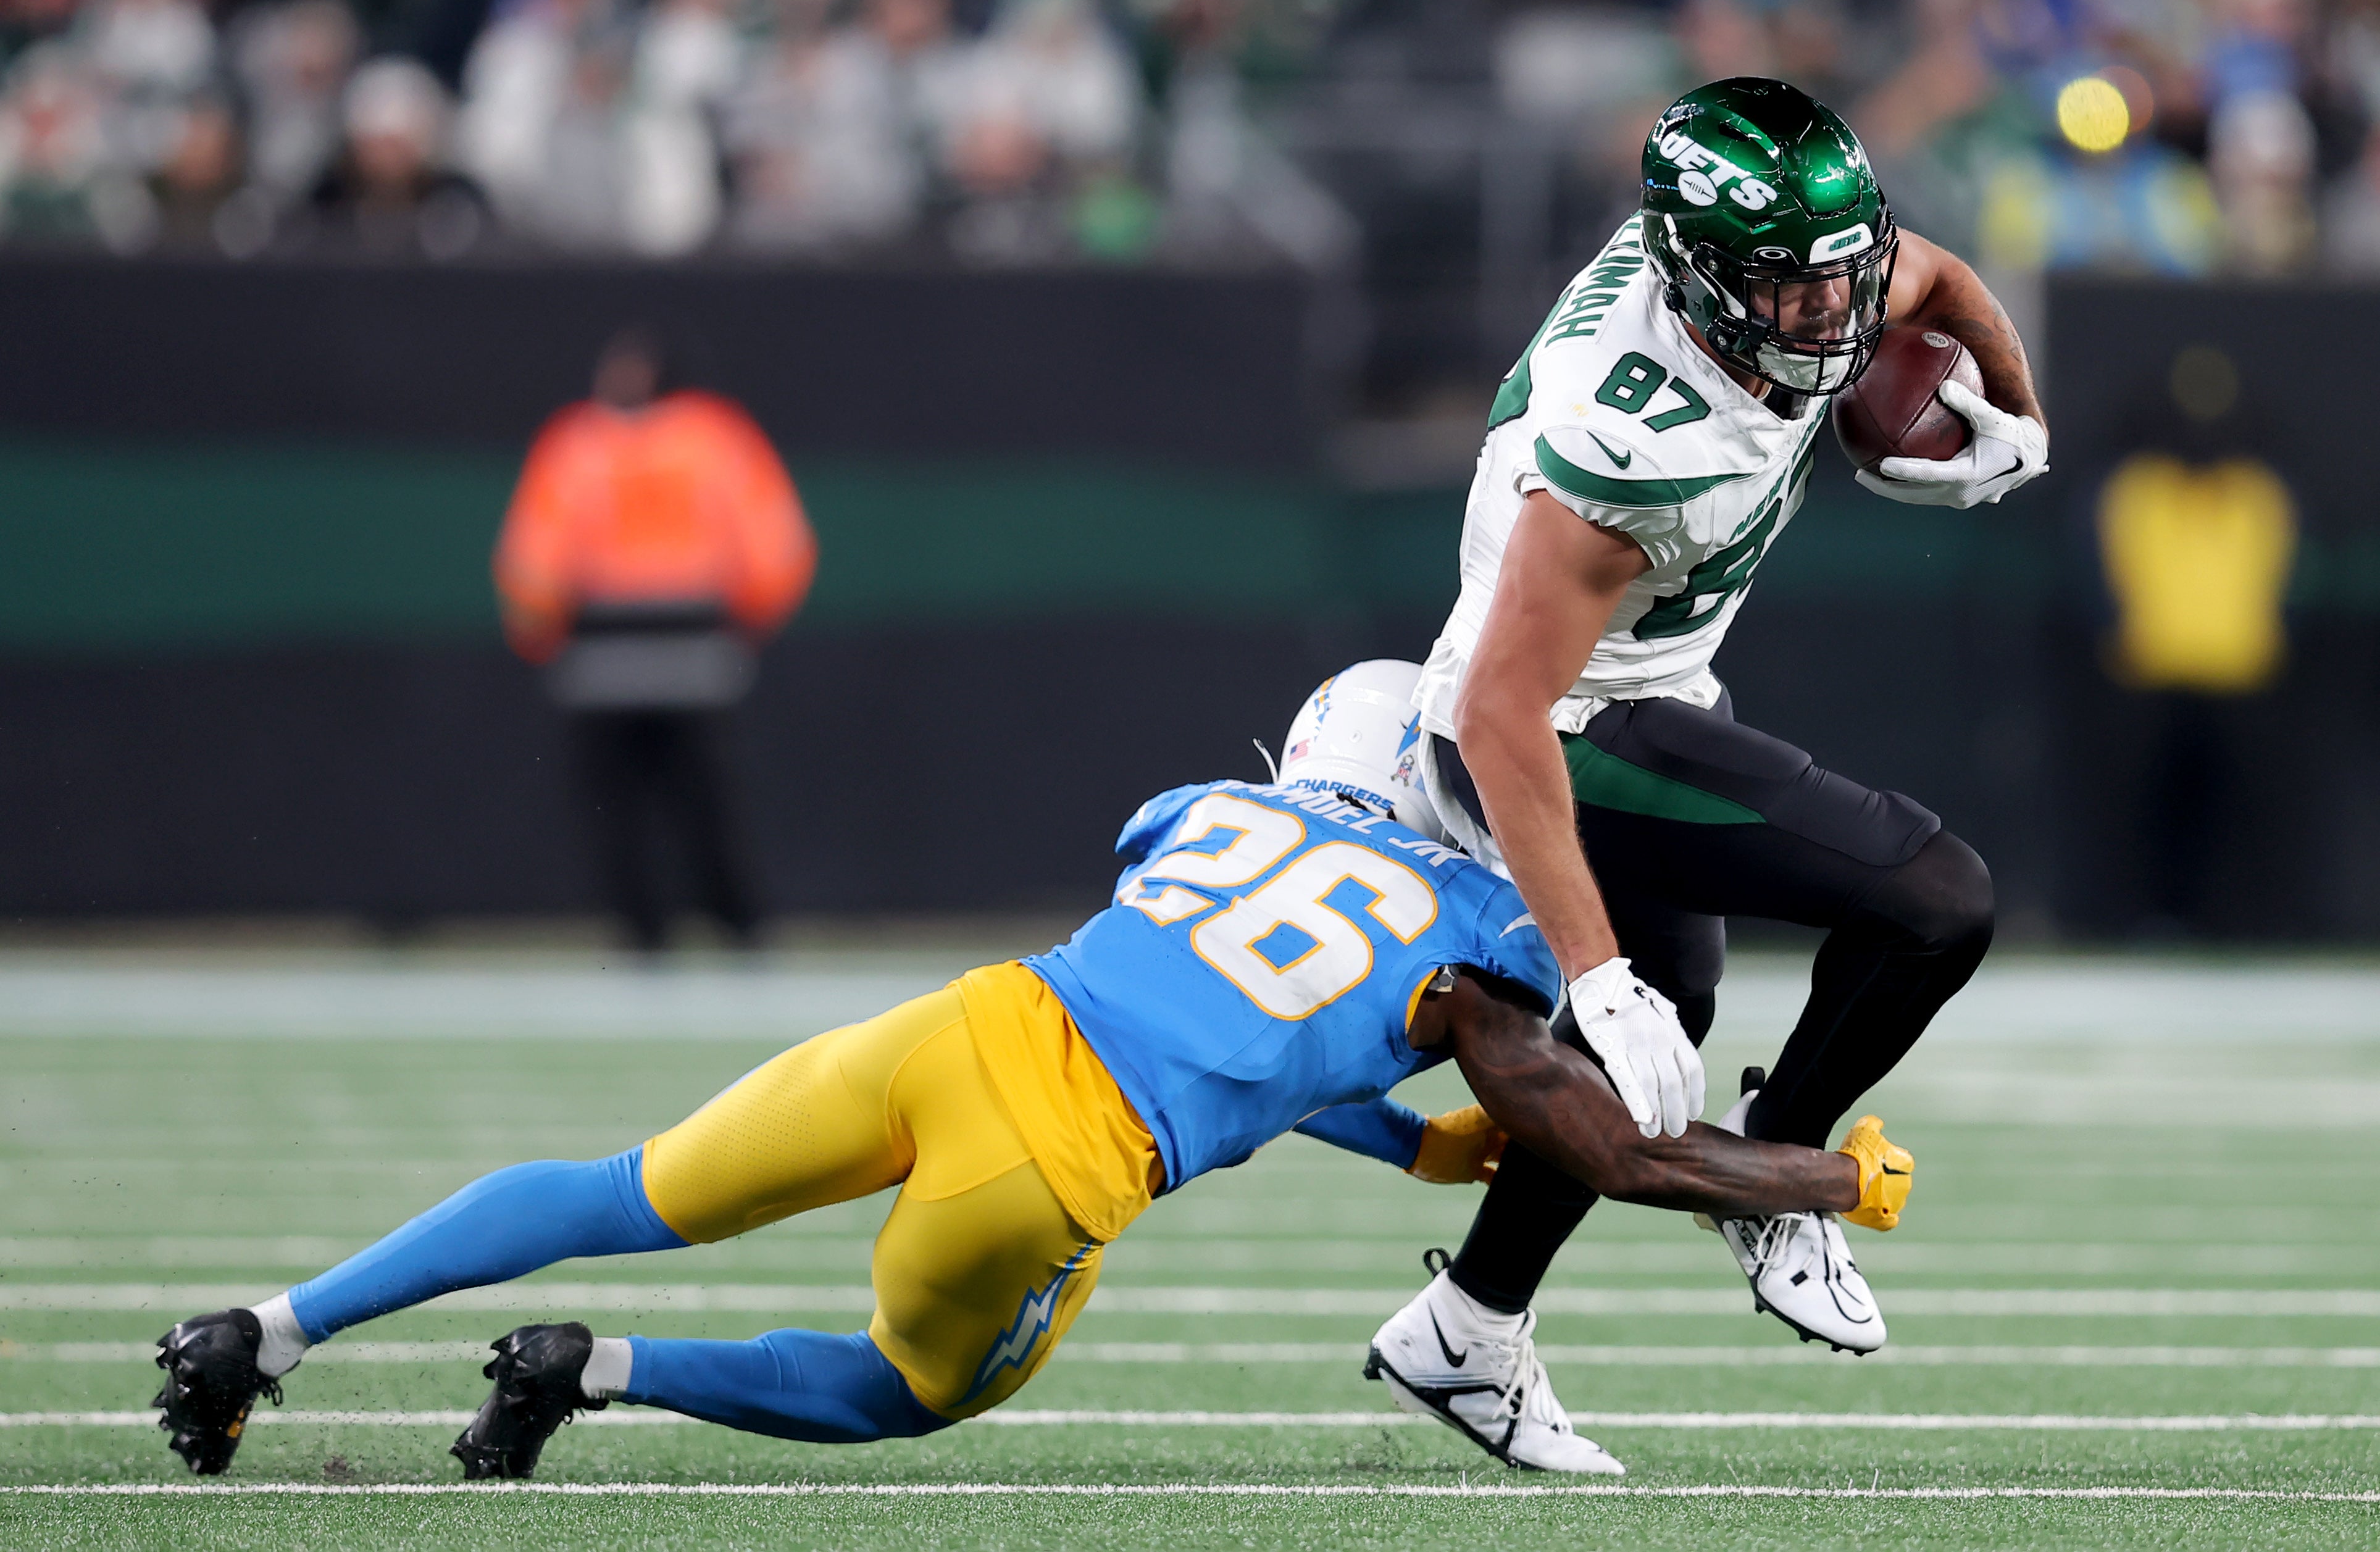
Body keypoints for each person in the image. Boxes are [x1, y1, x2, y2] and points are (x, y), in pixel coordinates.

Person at [150, 661, 1914, 1480]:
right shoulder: (1487, 942)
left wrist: (1393, 1147)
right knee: (904, 1392)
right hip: (1054, 1162)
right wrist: (1826, 1175)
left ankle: (271, 1328)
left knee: (623, 1185)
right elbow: (1605, 1149)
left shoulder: (1212, 813)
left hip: (965, 1026)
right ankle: (592, 1371)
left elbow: (1236, 1006)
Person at [1364, 78, 2043, 1467]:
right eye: (1795, 295)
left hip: (1649, 687)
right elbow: (1501, 711)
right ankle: (1773, 1168)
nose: (1836, 319)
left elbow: (1939, 276)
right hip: (1554, 730)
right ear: (1702, 279)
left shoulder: (1796, 275)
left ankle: (1466, 1328)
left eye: (1838, 279)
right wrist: (1592, 974)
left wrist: (2020, 422)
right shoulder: (1632, 438)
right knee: (1934, 897)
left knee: (1672, 1018)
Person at [494, 327, 817, 952]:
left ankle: (645, 935)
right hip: (692, 647)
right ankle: (739, 926)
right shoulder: (716, 437)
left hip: (602, 651)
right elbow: (776, 545)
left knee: (623, 807)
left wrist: (536, 626)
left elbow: (534, 556)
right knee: (701, 799)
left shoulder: (580, 442)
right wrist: (749, 620)